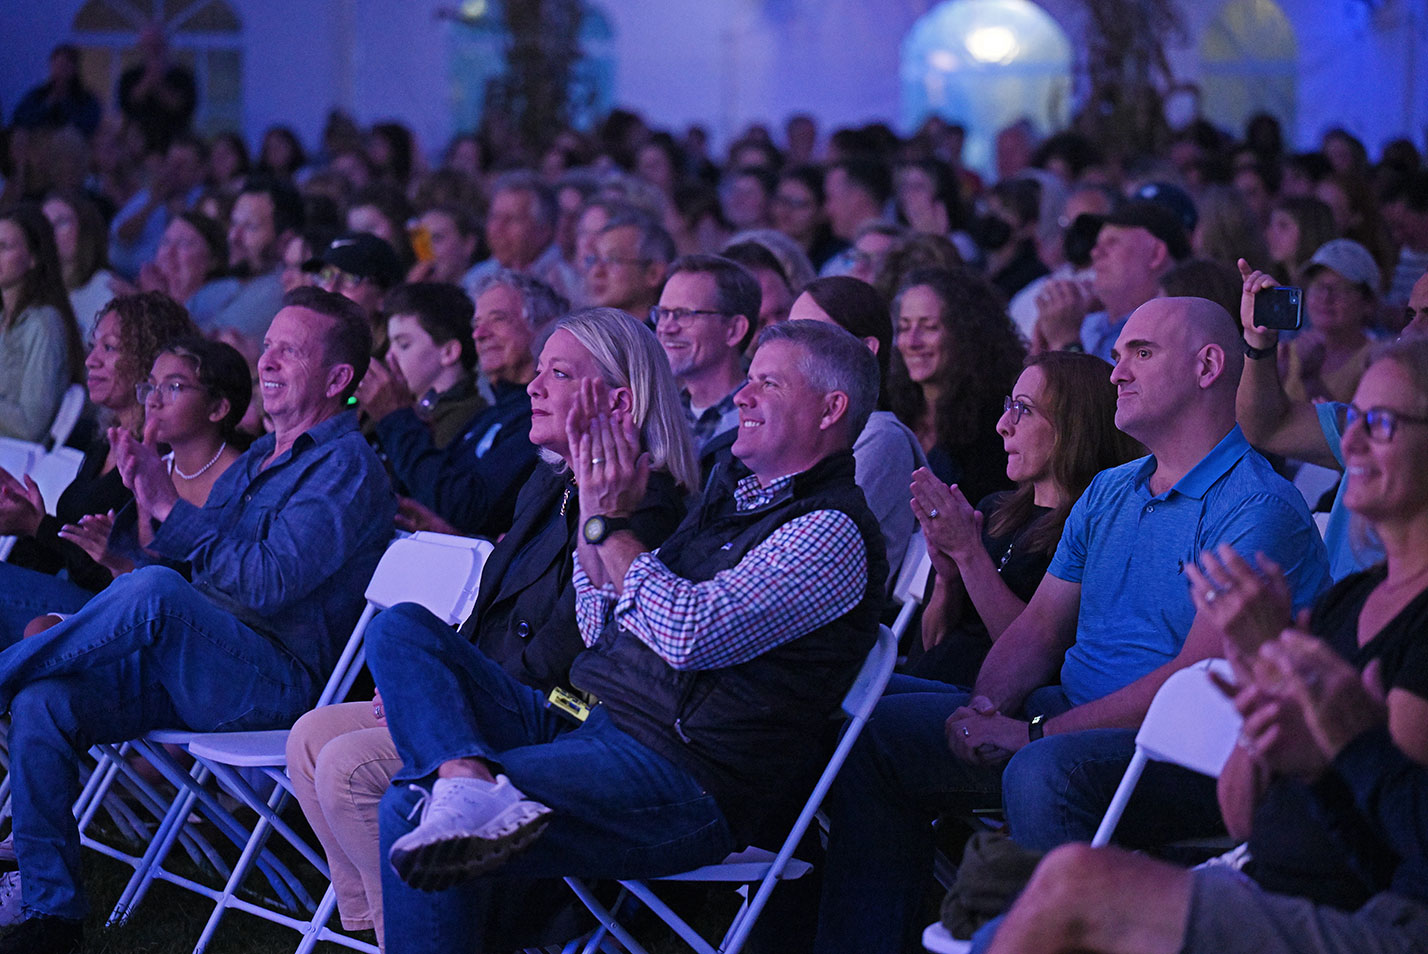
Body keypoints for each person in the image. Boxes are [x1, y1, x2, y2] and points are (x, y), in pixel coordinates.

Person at [813, 296, 1331, 954]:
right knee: (879, 732)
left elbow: (1190, 681)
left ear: (1207, 366)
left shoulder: (1255, 506)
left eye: (1141, 353)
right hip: (1074, 719)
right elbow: (1037, 631)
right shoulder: (1112, 488)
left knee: (1045, 770)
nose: (1116, 371)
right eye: (1117, 355)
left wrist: (1030, 732)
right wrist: (984, 707)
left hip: (1193, 760)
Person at [370, 320, 887, 953]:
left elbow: (687, 633)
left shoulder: (829, 532)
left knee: (412, 805)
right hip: (600, 726)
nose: (743, 397)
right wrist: (593, 505)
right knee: (402, 629)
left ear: (831, 409)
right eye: (747, 379)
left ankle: (460, 792)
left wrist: (608, 526)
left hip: (684, 778)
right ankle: (465, 777)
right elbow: (601, 628)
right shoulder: (735, 496)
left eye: (768, 384)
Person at [286, 307, 697, 949]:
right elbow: (486, 613)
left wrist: (450, 694)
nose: (532, 387)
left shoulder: (645, 504)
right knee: (310, 738)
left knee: (347, 766)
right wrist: (423, 689)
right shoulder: (549, 480)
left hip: (558, 719)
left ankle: (440, 934)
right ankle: (375, 930)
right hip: (496, 697)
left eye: (558, 374)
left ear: (619, 400)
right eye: (538, 371)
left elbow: (576, 651)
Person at [0, 287, 395, 954]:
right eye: (267, 345)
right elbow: (193, 561)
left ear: (337, 379)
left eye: (289, 352)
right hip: (202, 660)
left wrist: (170, 520)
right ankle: (50, 914)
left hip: (273, 685)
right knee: (45, 700)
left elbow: (267, 583)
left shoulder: (346, 469)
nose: (266, 361)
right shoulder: (268, 455)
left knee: (151, 591)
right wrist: (154, 497)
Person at [971, 628, 1428, 954]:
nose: (1351, 483)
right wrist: (1313, 766)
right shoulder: (1349, 600)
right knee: (1000, 928)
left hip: (1384, 920)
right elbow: (1243, 821)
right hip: (1270, 877)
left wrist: (1355, 750)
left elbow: (1403, 857)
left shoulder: (1254, 508)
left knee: (1069, 865)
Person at [907, 352, 1143, 686]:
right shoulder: (992, 511)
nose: (1003, 425)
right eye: (1009, 407)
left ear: (1074, 428)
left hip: (992, 705)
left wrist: (969, 555)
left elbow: (1035, 657)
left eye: (1024, 410)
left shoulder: (1088, 532)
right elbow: (930, 645)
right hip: (935, 683)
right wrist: (948, 579)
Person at [22, 335, 253, 638]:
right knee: (40, 629)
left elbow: (200, 589)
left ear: (218, 408)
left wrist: (122, 559)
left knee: (40, 638)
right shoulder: (158, 465)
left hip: (192, 634)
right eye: (152, 386)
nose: (153, 400)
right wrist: (113, 557)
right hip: (138, 613)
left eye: (174, 387)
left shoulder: (241, 479)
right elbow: (138, 574)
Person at [0, 292, 198, 639]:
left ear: (149, 359)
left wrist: (37, 526)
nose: (91, 361)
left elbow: (120, 573)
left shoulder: (158, 456)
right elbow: (73, 549)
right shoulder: (105, 440)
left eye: (109, 349)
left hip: (111, 618)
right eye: (94, 347)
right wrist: (30, 522)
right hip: (70, 598)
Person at [1236, 262, 1428, 580]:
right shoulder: (1369, 429)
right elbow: (1267, 426)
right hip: (1339, 617)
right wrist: (1259, 343)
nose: (1409, 331)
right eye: (1409, 316)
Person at [362, 271, 564, 539]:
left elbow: (466, 509)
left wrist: (397, 419)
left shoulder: (541, 417)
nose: (479, 334)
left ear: (542, 327)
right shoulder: (488, 416)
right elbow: (418, 501)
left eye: (498, 319)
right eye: (476, 323)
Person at [789, 275, 927, 582]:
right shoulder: (801, 429)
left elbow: (811, 552)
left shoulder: (881, 438)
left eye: (811, 335)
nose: (788, 350)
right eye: (788, 334)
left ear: (865, 349)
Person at [891, 266, 1024, 505]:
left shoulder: (995, 422)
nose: (912, 342)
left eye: (929, 327)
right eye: (903, 327)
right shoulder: (889, 408)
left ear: (965, 333)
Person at [1033, 199, 1190, 361]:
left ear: (1156, 254)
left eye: (1112, 243)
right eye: (1097, 243)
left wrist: (1067, 343)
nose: (1095, 253)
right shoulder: (1086, 323)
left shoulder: (1171, 332)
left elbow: (1110, 387)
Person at [653, 254, 760, 467]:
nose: (666, 328)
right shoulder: (654, 414)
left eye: (684, 314)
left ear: (734, 330)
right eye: (663, 313)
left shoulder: (760, 416)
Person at [362, 283, 485, 449]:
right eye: (391, 344)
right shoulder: (402, 408)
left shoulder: (469, 417)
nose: (389, 355)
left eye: (404, 344)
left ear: (448, 352)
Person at [0, 204, 83, 442]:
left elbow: (31, 425)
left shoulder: (44, 323)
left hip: (16, 463)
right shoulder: (3, 316)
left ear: (33, 258)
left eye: (4, 246)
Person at [1282, 239, 1378, 404]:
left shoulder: (1376, 360)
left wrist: (1311, 379)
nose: (1326, 297)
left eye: (1340, 289)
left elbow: (1356, 426)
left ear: (1367, 303)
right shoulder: (1285, 353)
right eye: (1318, 286)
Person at [208, 176, 304, 341]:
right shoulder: (235, 284)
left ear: (285, 240)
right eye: (234, 223)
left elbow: (202, 345)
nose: (233, 237)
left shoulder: (278, 290)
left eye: (250, 227)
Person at [462, 171, 579, 305]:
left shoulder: (571, 286)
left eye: (512, 219)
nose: (497, 228)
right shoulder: (474, 279)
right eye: (494, 217)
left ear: (544, 229)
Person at [312, 232, 405, 352]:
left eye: (349, 277)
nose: (330, 289)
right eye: (325, 275)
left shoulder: (401, 363)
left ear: (384, 296)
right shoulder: (318, 353)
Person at [41, 191, 116, 339]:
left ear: (85, 229)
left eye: (61, 222)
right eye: (44, 224)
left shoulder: (105, 287)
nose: (50, 232)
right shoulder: (36, 290)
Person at [117, 25, 197, 155]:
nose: (152, 51)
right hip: (136, 145)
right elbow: (127, 104)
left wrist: (160, 85)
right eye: (148, 46)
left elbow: (183, 107)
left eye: (156, 46)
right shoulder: (129, 77)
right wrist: (147, 81)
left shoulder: (183, 77)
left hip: (174, 145)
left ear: (165, 46)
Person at [583, 208, 675, 319]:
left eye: (613, 259)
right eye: (593, 259)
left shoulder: (667, 333)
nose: (596, 272)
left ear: (653, 273)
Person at [10, 45, 101, 138]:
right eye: (56, 65)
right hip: (40, 139)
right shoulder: (39, 94)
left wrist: (65, 104)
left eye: (64, 66)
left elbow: (89, 124)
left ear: (74, 69)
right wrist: (47, 105)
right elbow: (20, 117)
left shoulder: (85, 98)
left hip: (72, 143)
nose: (59, 70)